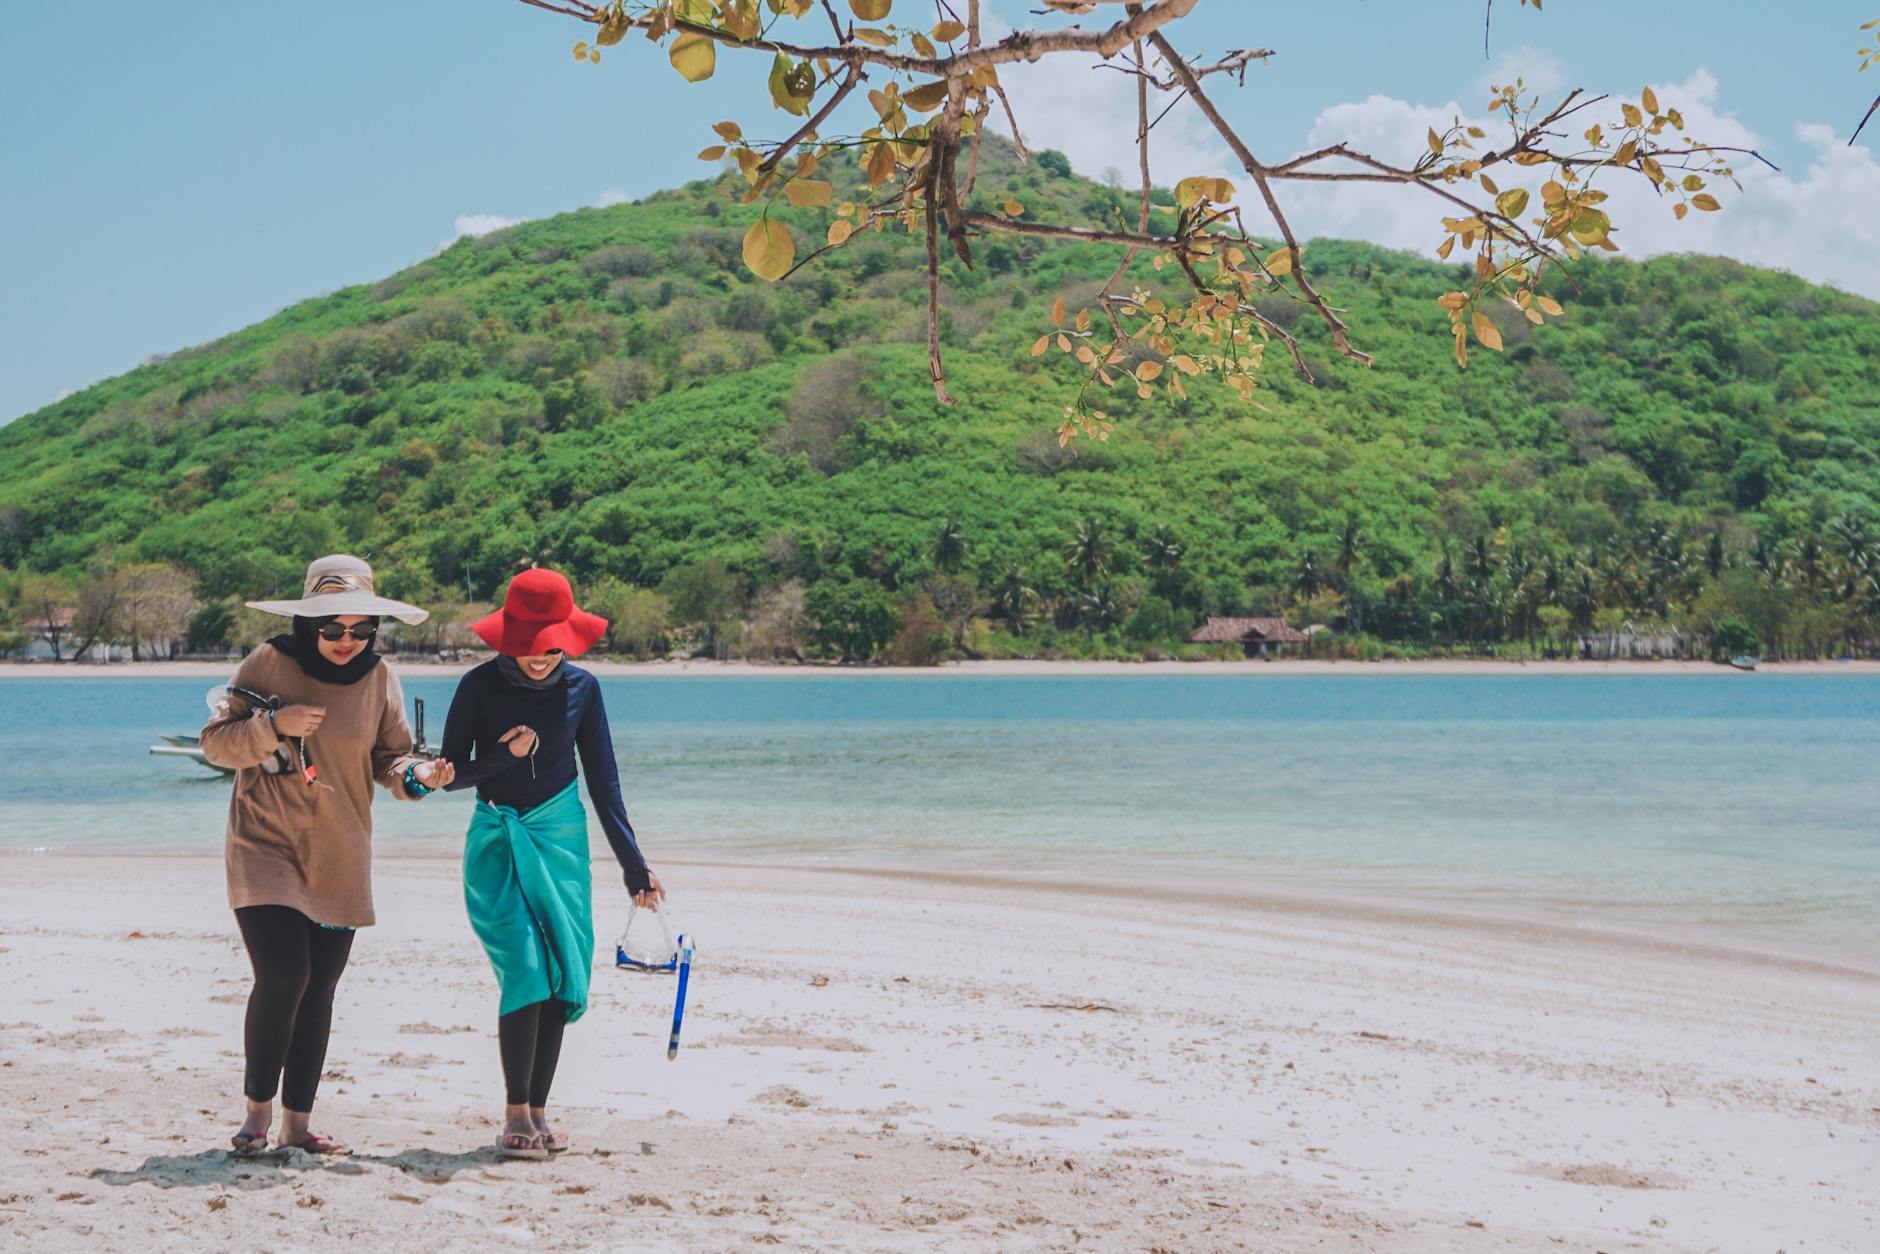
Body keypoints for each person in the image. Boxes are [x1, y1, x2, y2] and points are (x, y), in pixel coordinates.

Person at [200, 555, 455, 1155]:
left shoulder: (379, 677)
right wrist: (273, 723)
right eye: (332, 629)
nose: (347, 641)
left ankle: (296, 1125)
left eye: (360, 630)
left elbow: (390, 761)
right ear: (307, 625)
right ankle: (256, 1114)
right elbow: (216, 745)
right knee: (286, 974)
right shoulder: (267, 663)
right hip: (263, 845)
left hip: (340, 854)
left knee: (319, 992)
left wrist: (421, 775)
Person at [440, 567, 664, 1160]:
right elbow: (450, 777)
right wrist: (501, 756)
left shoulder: (584, 690)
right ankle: (514, 1112)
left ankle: (537, 1111)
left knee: (562, 976)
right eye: (528, 648)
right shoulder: (477, 687)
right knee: (526, 969)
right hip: (497, 838)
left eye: (552, 648)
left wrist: (634, 868)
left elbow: (604, 782)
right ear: (506, 638)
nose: (540, 659)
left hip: (562, 840)